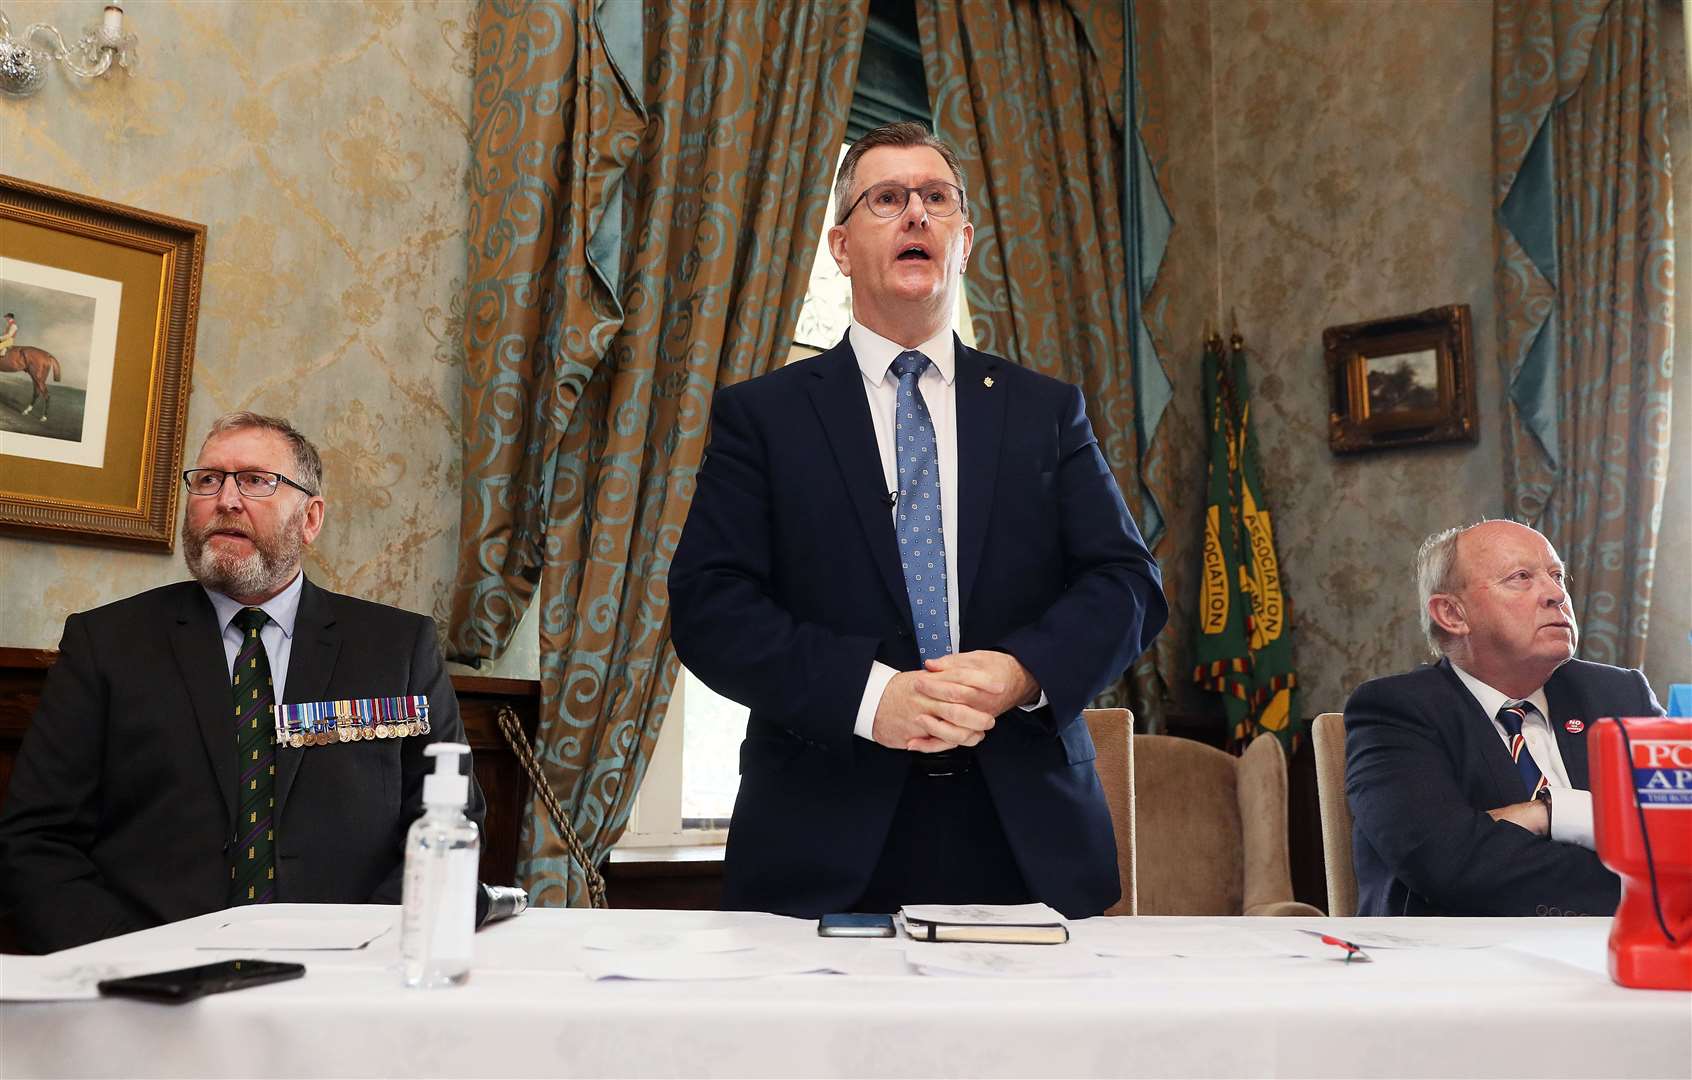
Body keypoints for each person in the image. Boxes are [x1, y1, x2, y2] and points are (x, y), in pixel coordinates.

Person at [668, 122, 1166, 919]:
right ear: (840, 244)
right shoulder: (763, 417)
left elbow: (1128, 582)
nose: (916, 215)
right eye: (888, 199)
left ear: (963, 242)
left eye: (937, 199)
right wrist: (872, 697)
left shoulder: (1046, 412)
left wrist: (1023, 672)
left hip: (1025, 840)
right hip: (823, 836)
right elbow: (709, 608)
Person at [0, 412, 486, 952]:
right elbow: (37, 841)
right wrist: (130, 961)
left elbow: (450, 820)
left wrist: (368, 952)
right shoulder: (107, 644)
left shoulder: (398, 648)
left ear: (311, 518)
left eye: (256, 480)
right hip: (150, 987)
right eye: (209, 480)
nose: (226, 499)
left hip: (348, 982)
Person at [1345, 519, 1664, 917]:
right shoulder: (1397, 710)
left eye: (1557, 575)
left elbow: (1678, 837)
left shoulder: (1618, 695)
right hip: (1454, 964)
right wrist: (1578, 820)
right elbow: (1449, 865)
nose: (1556, 594)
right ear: (1452, 613)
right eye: (1521, 578)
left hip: (1616, 950)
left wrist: (1540, 815)